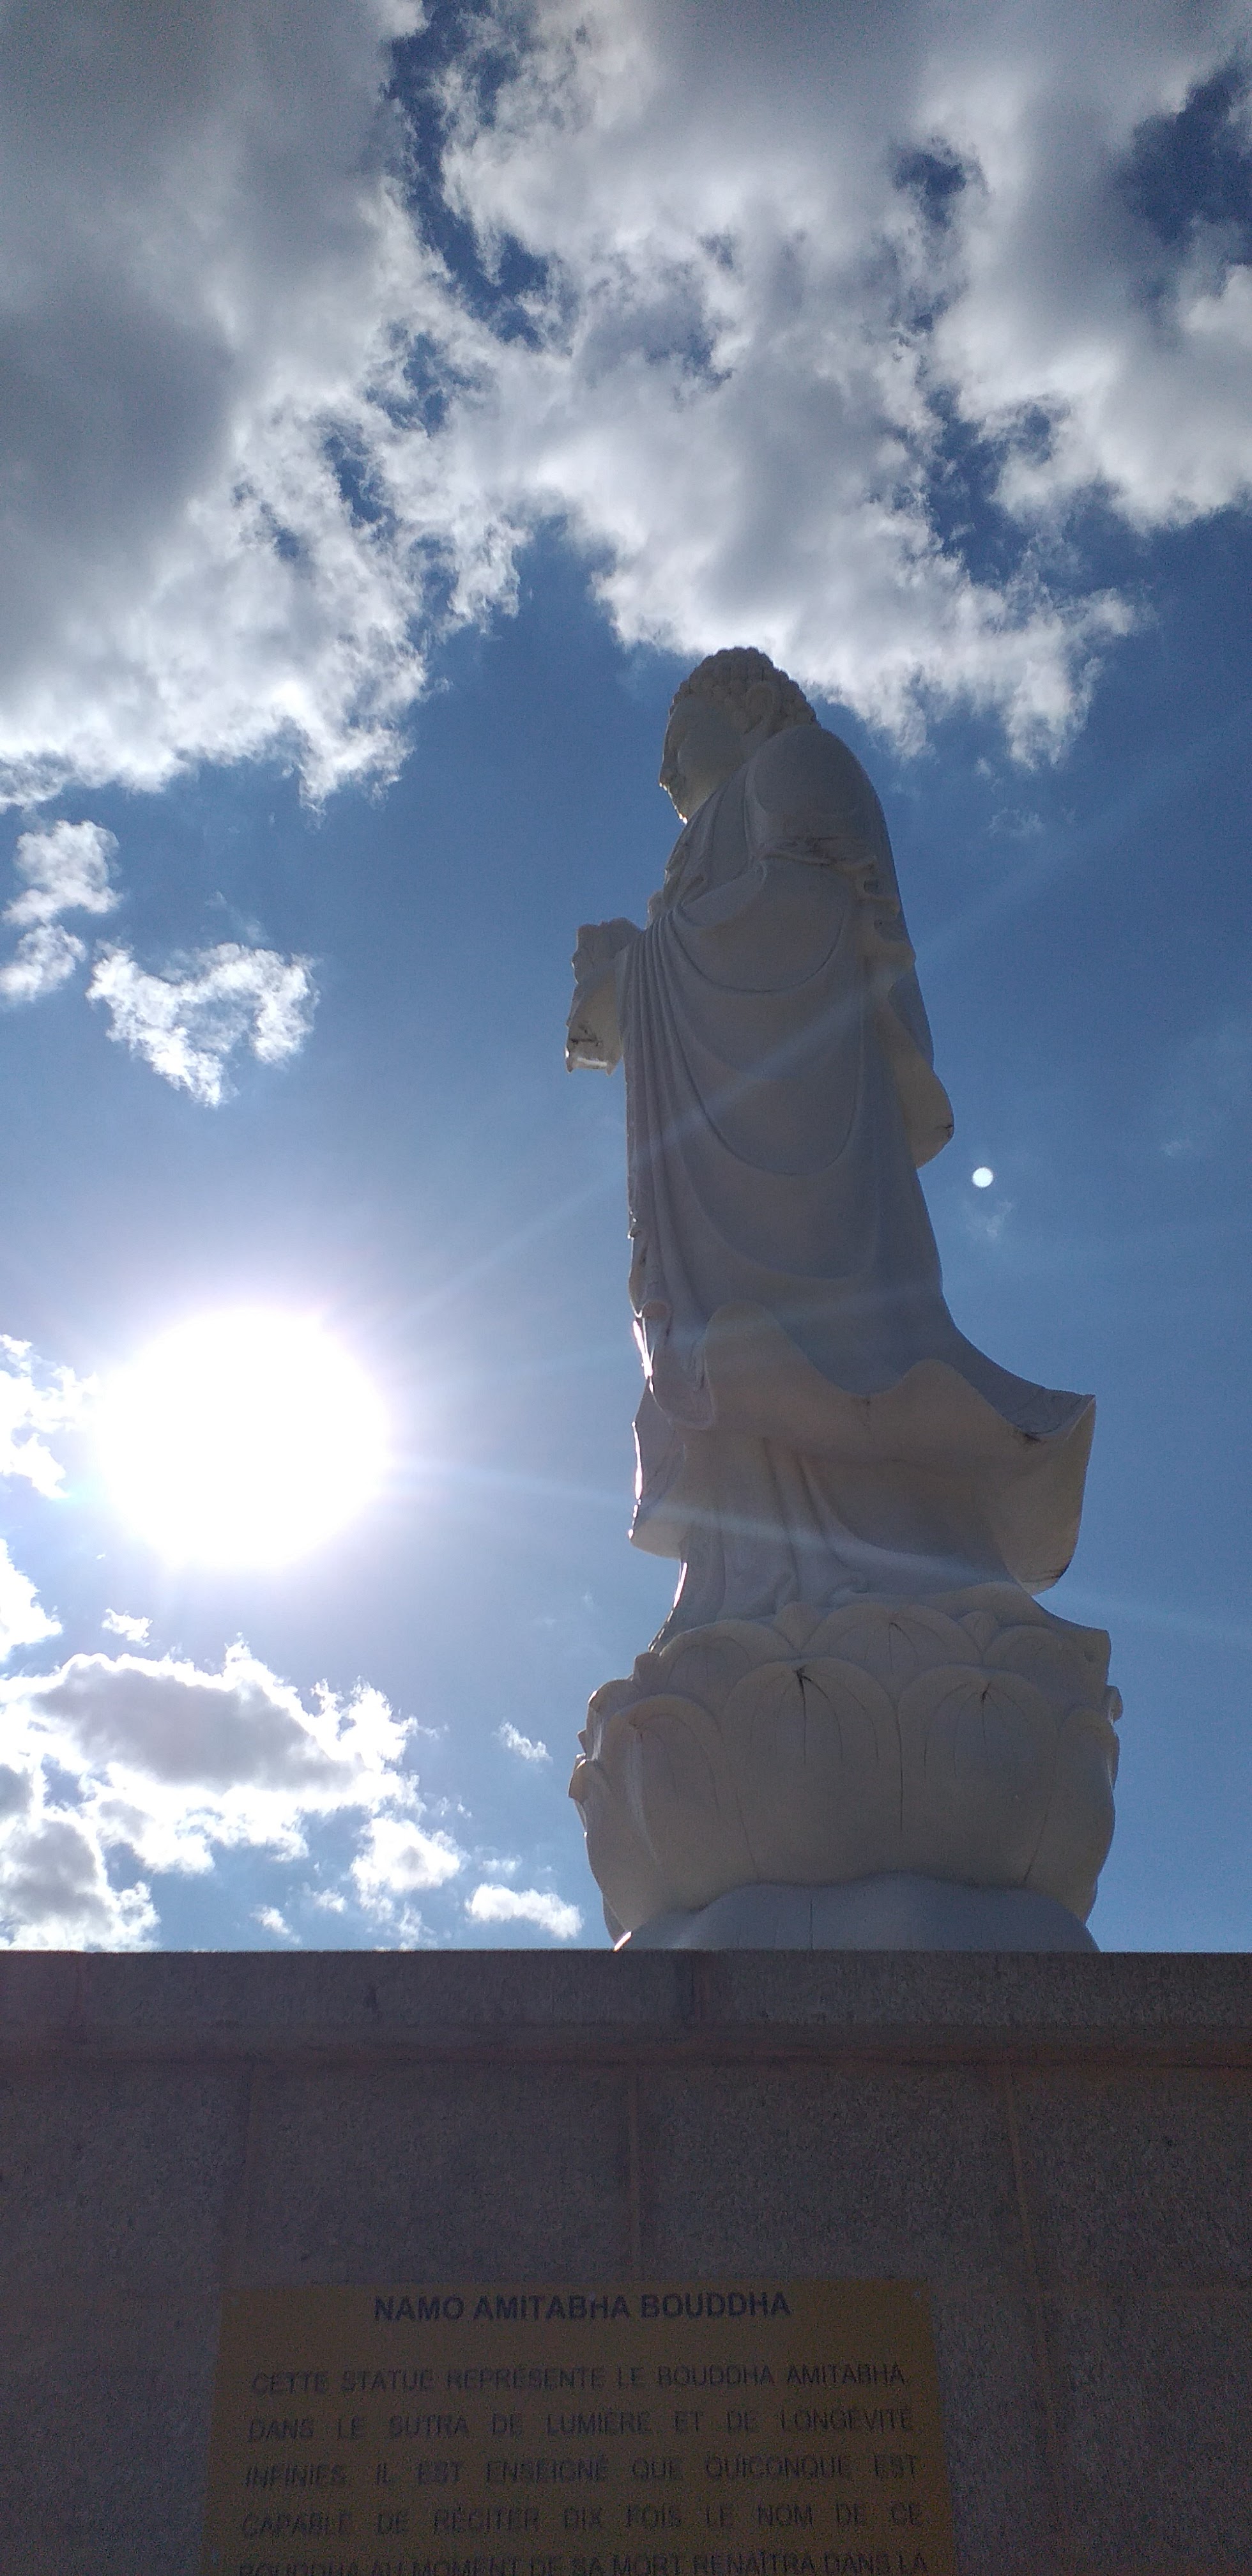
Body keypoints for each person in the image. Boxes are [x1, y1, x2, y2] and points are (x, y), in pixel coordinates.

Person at [568, 648, 1092, 1638]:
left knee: (821, 1349)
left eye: (679, 739)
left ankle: (892, 1573)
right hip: (715, 1159)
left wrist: (641, 972)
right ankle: (751, 1578)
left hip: (807, 1140)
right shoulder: (699, 848)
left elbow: (805, 914)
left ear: (748, 707)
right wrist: (632, 984)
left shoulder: (796, 764)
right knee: (720, 1354)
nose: (664, 772)